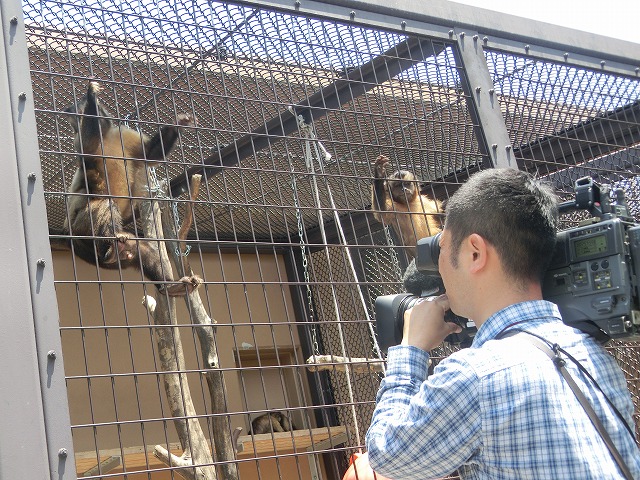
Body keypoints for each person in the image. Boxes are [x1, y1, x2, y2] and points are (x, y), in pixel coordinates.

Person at [365, 168, 640, 479]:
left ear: (475, 252)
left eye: (440, 249)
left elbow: (387, 456)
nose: (438, 267)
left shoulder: (474, 377)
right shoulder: (595, 357)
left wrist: (411, 347)